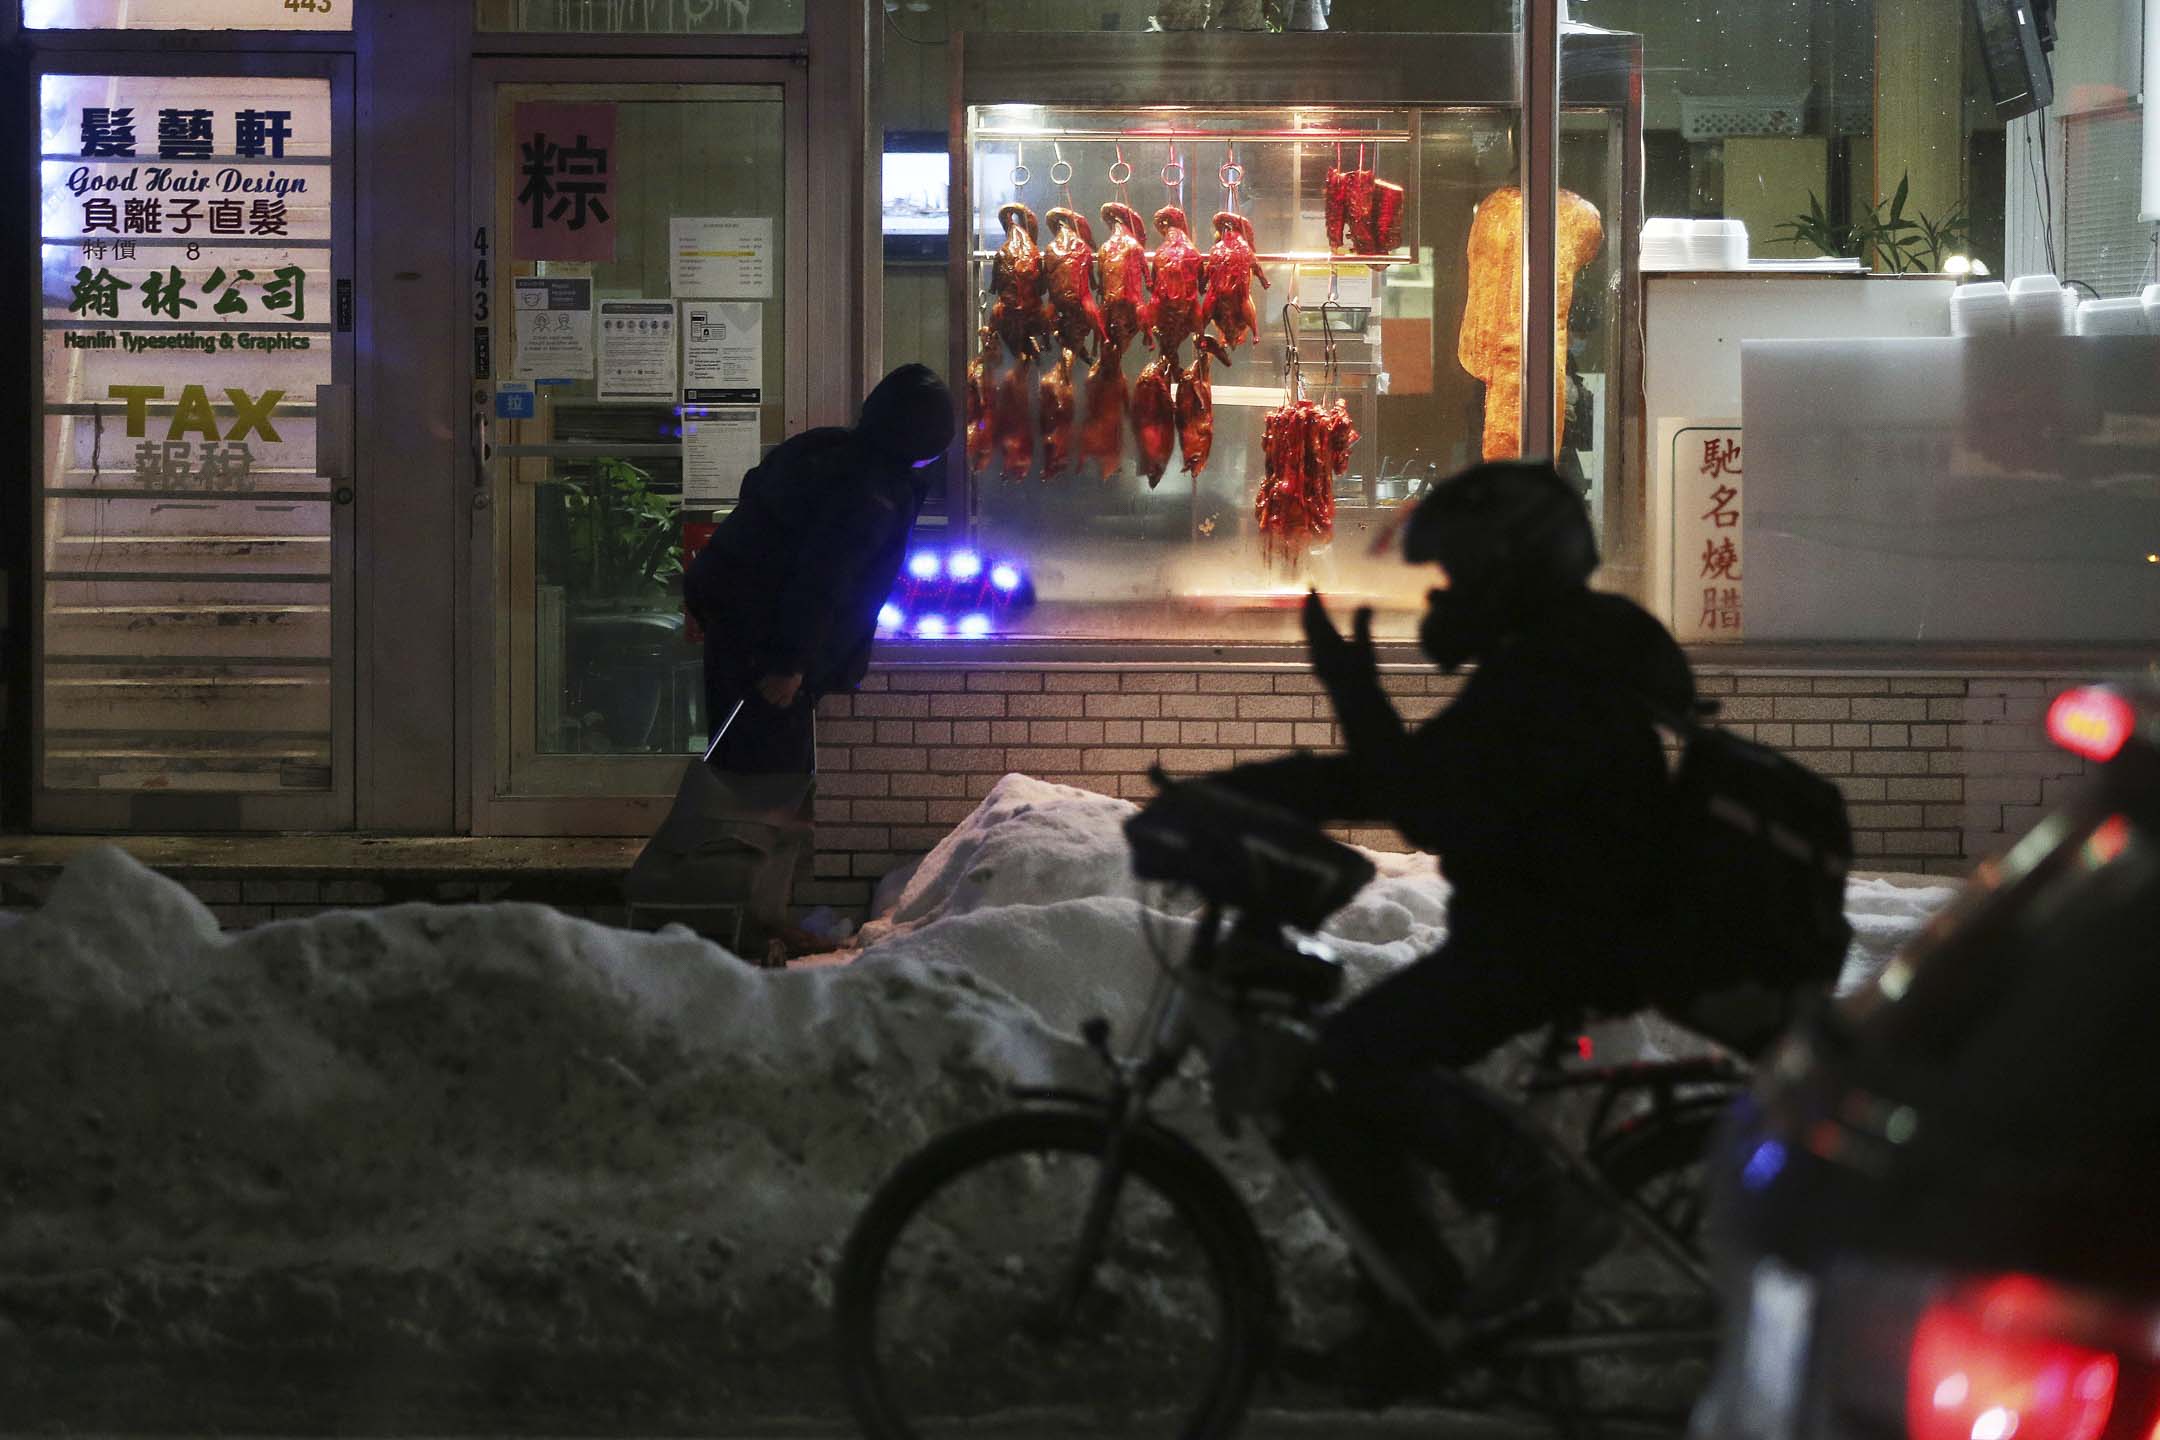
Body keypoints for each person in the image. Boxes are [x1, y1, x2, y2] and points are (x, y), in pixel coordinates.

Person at [1211, 461, 1696, 1378]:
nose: (1446, 597)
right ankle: (1422, 1304)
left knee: (1359, 1058)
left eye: (1459, 576)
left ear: (1512, 573)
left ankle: (1526, 1209)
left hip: (1556, 938)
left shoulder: (1550, 674)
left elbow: (1424, 801)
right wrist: (1254, 793)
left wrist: (1348, 697)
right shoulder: (1554, 656)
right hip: (1550, 927)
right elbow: (1419, 784)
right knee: (1363, 1065)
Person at [684, 364, 955, 773]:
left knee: (738, 754)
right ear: (919, 438)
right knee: (766, 772)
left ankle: (737, 830)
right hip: (765, 640)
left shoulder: (827, 451)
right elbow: (822, 579)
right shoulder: (869, 491)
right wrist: (788, 663)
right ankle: (748, 835)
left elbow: (758, 500)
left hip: (735, 617)